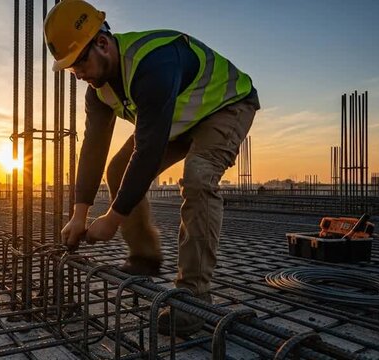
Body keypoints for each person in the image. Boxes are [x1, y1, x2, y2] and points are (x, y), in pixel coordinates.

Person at [44, 0, 260, 337]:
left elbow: (147, 151)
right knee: (117, 170)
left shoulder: (152, 62)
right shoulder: (98, 90)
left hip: (225, 105)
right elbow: (93, 149)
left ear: (101, 43)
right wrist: (79, 213)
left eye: (79, 63)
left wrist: (112, 220)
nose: (78, 74)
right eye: (71, 69)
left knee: (198, 178)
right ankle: (145, 255)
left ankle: (194, 299)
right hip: (177, 118)